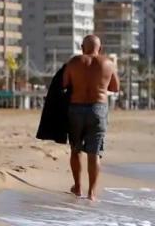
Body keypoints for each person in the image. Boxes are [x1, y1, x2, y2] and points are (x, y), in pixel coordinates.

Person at [63, 34, 119, 202]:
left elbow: (64, 84)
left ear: (82, 48)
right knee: (94, 153)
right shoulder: (108, 63)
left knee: (75, 150)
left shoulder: (74, 62)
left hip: (75, 108)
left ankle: (77, 187)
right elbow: (115, 87)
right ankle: (92, 193)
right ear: (100, 49)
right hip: (98, 109)